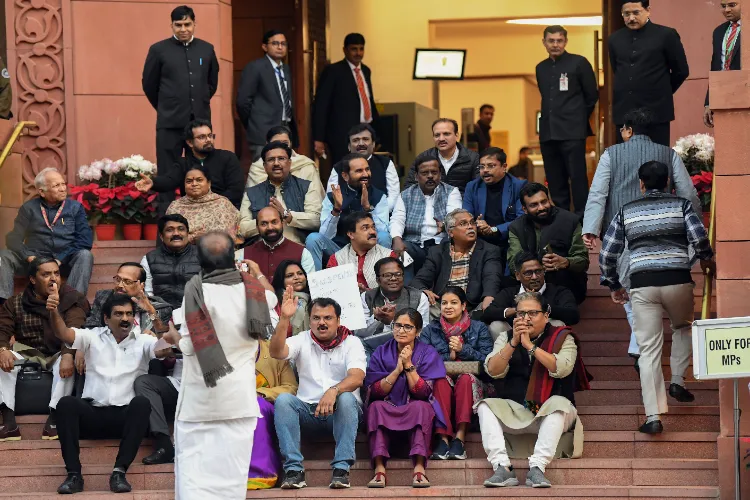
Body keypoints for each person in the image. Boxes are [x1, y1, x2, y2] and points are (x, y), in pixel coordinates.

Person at [599, 161, 715, 434]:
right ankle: (677, 380)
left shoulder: (626, 211)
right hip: (677, 280)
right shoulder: (682, 205)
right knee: (683, 327)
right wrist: (707, 259)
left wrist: (614, 283)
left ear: (641, 183)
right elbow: (699, 238)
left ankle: (653, 416)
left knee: (649, 349)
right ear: (668, 184)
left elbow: (607, 254)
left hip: (642, 284)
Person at [161, 231, 278, 499]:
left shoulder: (196, 290)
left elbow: (190, 347)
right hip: (239, 400)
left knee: (194, 477)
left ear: (199, 261)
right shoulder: (253, 290)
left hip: (201, 403)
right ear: (233, 258)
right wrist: (257, 273)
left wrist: (173, 337)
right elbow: (272, 298)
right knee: (232, 478)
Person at [582, 108, 700, 361]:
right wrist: (693, 224)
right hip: (667, 235)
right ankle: (642, 347)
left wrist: (590, 228)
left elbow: (598, 193)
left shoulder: (611, 154)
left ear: (628, 130)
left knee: (632, 292)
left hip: (625, 235)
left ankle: (640, 348)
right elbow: (688, 193)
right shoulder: (668, 153)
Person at [50, 293, 171, 494]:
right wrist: (53, 310)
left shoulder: (143, 340)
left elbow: (165, 351)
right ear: (106, 318)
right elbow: (63, 333)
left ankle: (119, 472)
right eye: (119, 314)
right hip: (93, 415)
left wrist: (154, 315)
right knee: (66, 404)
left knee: (141, 403)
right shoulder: (91, 336)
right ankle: (73, 476)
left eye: (129, 314)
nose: (125, 318)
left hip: (126, 419)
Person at [478, 291, 590, 488]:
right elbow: (493, 371)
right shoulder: (507, 337)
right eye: (521, 314)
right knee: (485, 406)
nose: (525, 319)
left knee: (559, 405)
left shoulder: (563, 337)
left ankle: (537, 468)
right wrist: (513, 344)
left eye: (532, 313)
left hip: (552, 411)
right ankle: (502, 467)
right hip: (519, 408)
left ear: (546, 316)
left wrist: (530, 347)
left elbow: (562, 369)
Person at [270, 295, 367, 489]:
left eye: (327, 318)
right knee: (283, 401)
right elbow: (276, 352)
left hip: (342, 413)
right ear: (310, 320)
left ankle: (341, 469)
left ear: (338, 320)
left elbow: (357, 377)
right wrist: (284, 319)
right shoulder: (302, 339)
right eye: (316, 318)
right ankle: (294, 470)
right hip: (308, 413)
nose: (321, 323)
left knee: (347, 398)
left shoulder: (352, 342)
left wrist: (334, 391)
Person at [0, 258, 88, 441]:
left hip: (58, 352)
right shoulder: (16, 302)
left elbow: (75, 329)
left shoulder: (73, 298)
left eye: (56, 273)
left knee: (69, 359)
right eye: (46, 274)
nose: (53, 279)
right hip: (28, 352)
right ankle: (8, 421)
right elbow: (3, 328)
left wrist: (68, 355)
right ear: (33, 279)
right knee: (2, 358)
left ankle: (55, 418)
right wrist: (2, 349)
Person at [142, 5, 219, 211]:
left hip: (199, 126)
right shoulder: (158, 50)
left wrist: (198, 102)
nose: (183, 29)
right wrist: (166, 107)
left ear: (194, 24)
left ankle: (199, 220)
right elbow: (149, 84)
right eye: (178, 25)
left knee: (200, 173)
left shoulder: (207, 49)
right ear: (172, 26)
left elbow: (211, 84)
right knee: (167, 173)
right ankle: (167, 226)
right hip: (169, 123)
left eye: (187, 24)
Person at [364, 308, 447, 488]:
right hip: (388, 406)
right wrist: (396, 370)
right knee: (376, 407)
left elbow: (424, 392)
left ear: (417, 331)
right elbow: (376, 391)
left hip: (413, 407)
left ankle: (419, 469)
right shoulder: (381, 351)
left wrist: (408, 365)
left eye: (408, 327)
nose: (401, 331)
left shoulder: (428, 352)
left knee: (422, 407)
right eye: (398, 326)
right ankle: (379, 470)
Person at [420, 286, 494, 460]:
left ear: (463, 305)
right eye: (444, 303)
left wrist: (463, 349)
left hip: (473, 379)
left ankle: (459, 439)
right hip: (441, 377)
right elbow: (423, 361)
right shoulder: (430, 330)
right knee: (441, 381)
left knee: (466, 379)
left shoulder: (479, 328)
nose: (448, 307)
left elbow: (487, 362)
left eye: (454, 302)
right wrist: (450, 355)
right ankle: (443, 438)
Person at [1, 168, 93, 300]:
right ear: (42, 192)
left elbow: (85, 240)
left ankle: (73, 302)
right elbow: (13, 238)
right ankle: (4, 304)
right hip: (35, 262)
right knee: (4, 255)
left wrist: (60, 258)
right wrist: (29, 257)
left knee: (85, 255)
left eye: (63, 184)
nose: (62, 189)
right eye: (56, 185)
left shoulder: (75, 208)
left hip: (63, 262)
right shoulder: (29, 208)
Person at [536, 25, 598, 216]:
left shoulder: (579, 63)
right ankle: (562, 219)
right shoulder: (541, 68)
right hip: (548, 132)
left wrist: (576, 118)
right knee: (555, 179)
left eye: (559, 40)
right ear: (544, 43)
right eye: (551, 41)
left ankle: (582, 220)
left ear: (565, 42)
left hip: (572, 131)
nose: (555, 45)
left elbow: (592, 96)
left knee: (577, 178)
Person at [609, 1, 689, 146]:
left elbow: (681, 71)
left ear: (648, 11)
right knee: (626, 162)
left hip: (656, 111)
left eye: (636, 13)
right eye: (627, 14)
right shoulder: (614, 39)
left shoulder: (666, 35)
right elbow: (617, 69)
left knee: (656, 161)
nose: (631, 18)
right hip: (624, 111)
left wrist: (661, 91)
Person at [135, 119, 244, 210]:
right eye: (202, 137)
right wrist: (152, 183)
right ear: (190, 142)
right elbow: (169, 180)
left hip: (222, 208)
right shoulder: (184, 163)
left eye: (210, 136)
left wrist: (211, 205)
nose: (208, 140)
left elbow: (235, 190)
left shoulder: (228, 157)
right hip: (192, 210)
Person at [306, 154, 390, 270]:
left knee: (384, 236)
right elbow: (325, 235)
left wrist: (368, 209)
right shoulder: (333, 196)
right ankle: (316, 285)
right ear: (345, 176)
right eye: (359, 171)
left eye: (367, 169)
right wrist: (336, 210)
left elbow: (383, 233)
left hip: (369, 252)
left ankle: (380, 281)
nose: (365, 174)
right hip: (339, 251)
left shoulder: (379, 196)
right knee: (313, 239)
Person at [508, 182, 589, 304]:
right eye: (534, 205)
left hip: (565, 288)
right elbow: (514, 264)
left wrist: (566, 262)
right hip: (528, 291)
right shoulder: (516, 228)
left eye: (544, 202)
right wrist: (536, 268)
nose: (541, 207)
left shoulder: (570, 221)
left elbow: (583, 260)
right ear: (524, 209)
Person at [412, 209, 503, 316]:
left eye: (472, 223)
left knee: (487, 309)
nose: (470, 227)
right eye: (463, 224)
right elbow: (419, 281)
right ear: (450, 232)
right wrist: (424, 291)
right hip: (443, 309)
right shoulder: (437, 252)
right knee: (424, 304)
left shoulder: (489, 250)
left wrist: (489, 297)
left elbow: (491, 277)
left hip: (473, 307)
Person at [391, 154, 462, 282]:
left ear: (440, 174)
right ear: (416, 176)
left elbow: (455, 215)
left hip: (441, 244)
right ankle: (410, 291)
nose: (430, 176)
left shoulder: (451, 192)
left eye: (434, 172)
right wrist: (396, 239)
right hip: (415, 245)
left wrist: (446, 223)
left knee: (448, 246)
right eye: (425, 173)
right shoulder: (406, 195)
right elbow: (397, 219)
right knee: (402, 251)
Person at [239, 141, 324, 245]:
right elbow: (242, 229)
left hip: (298, 248)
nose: (276, 163)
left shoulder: (306, 187)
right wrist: (266, 221)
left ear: (289, 163)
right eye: (271, 160)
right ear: (264, 166)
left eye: (281, 159)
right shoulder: (252, 193)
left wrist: (286, 215)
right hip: (262, 250)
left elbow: (316, 221)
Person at [313, 33, 378, 163]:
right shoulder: (333, 71)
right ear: (345, 50)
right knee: (345, 172)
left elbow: (368, 100)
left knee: (363, 171)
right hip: (342, 134)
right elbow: (322, 105)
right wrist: (318, 138)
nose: (358, 53)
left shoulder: (366, 70)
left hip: (365, 130)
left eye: (361, 49)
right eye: (354, 49)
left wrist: (377, 133)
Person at [482, 252, 580, 340]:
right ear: (517, 275)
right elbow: (487, 314)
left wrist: (542, 306)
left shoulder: (559, 291)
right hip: (515, 341)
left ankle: (546, 359)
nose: (534, 277)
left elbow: (573, 315)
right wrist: (517, 310)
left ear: (544, 271)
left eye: (538, 271)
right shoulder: (509, 292)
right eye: (528, 273)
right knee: (496, 326)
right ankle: (507, 359)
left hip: (545, 344)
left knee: (557, 324)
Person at [237, 30, 298, 162]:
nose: (280, 47)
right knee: (263, 172)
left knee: (284, 170)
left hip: (285, 128)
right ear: (265, 47)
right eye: (275, 43)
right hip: (262, 131)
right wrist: (254, 123)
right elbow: (243, 102)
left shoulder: (286, 69)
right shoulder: (255, 67)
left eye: (283, 44)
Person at [463, 147, 527, 271]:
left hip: (510, 240)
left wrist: (494, 229)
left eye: (491, 166)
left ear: (504, 167)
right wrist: (477, 224)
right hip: (481, 241)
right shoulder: (472, 187)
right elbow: (466, 216)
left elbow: (522, 219)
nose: (485, 170)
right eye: (481, 167)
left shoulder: (518, 186)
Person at [248, 339, 298, 489]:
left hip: (265, 405)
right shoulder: (222, 351)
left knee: (255, 405)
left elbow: (290, 388)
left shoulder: (273, 350)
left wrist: (260, 393)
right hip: (230, 405)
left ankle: (260, 474)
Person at [355, 257, 430, 354]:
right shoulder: (367, 297)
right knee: (356, 342)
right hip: (374, 349)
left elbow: (422, 333)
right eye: (387, 275)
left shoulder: (419, 297)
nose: (394, 278)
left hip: (407, 348)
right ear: (378, 280)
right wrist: (376, 319)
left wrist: (392, 322)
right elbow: (359, 333)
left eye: (398, 274)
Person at [326, 124, 400, 212]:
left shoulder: (385, 163)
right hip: (347, 219)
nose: (361, 144)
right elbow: (331, 198)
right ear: (349, 146)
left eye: (365, 139)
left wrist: (373, 212)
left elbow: (394, 198)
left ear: (373, 144)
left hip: (381, 217)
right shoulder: (338, 167)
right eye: (355, 140)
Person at [85, 262, 172, 333]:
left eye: (128, 282)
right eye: (118, 279)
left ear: (142, 285)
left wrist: (151, 311)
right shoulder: (103, 298)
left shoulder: (161, 308)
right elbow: (91, 328)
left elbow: (165, 337)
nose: (120, 285)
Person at [405, 118, 480, 195]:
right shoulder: (423, 158)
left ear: (456, 135)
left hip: (462, 205)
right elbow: (409, 187)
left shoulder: (472, 158)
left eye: (446, 134)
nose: (441, 139)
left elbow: (479, 189)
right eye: (437, 135)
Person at [140, 214, 200, 309]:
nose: (176, 233)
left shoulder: (203, 255)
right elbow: (147, 293)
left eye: (181, 229)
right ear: (161, 236)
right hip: (162, 314)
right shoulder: (149, 259)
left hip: (196, 314)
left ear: (187, 234)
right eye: (170, 230)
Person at [165, 165, 240, 242]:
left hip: (216, 251)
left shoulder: (222, 204)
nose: (194, 184)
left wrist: (202, 238)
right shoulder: (175, 206)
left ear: (209, 183)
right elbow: (168, 236)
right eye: (189, 181)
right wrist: (194, 237)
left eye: (199, 180)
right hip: (181, 252)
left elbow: (228, 237)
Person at [326, 212, 396, 290]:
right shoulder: (336, 259)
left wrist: (368, 293)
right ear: (351, 234)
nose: (373, 232)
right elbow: (331, 290)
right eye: (365, 228)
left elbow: (393, 290)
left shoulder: (389, 256)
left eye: (373, 227)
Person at [243, 206, 315, 278]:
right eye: (264, 224)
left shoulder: (302, 253)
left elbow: (309, 286)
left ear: (282, 223)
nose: (270, 227)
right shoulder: (244, 254)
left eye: (274, 222)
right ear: (257, 227)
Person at [704, 0, 742, 128]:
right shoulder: (719, 31)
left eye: (732, 5)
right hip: (723, 96)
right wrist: (709, 102)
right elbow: (716, 67)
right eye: (723, 6)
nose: (726, 10)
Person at [246, 125, 318, 187]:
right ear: (267, 144)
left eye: (285, 143)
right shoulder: (257, 168)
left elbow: (315, 197)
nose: (281, 148)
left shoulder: (305, 165)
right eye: (276, 143)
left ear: (291, 144)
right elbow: (254, 199)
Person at [271, 260, 311, 337]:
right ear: (281, 280)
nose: (297, 277)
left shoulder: (315, 298)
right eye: (290, 275)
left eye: (300, 273)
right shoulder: (275, 303)